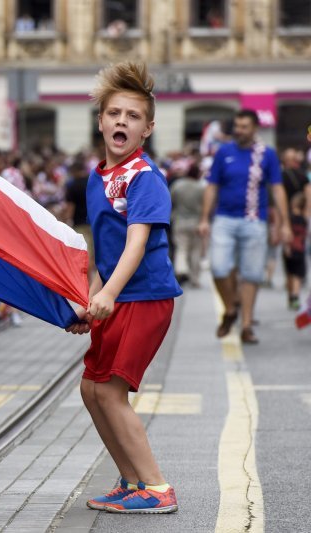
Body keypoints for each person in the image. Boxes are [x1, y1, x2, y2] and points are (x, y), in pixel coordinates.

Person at [67, 61, 182, 513]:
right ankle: (131, 481)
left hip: (146, 298)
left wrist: (107, 296)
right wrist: (90, 300)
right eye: (115, 113)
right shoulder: (99, 177)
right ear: (100, 121)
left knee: (110, 392)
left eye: (133, 117)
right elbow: (107, 252)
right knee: (90, 389)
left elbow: (136, 246)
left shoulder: (145, 178)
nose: (122, 122)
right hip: (118, 296)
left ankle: (156, 488)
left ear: (147, 129)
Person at [198, 109, 292, 344]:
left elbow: (277, 188)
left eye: (244, 127)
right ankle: (231, 309)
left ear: (254, 129)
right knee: (219, 268)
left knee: (251, 275)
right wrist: (204, 218)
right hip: (224, 219)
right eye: (237, 126)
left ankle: (247, 325)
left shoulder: (267, 154)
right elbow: (212, 186)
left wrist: (285, 224)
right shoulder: (223, 152)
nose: (239, 131)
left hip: (254, 221)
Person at [169, 160, 204, 287]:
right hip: (196, 222)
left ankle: (181, 270)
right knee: (196, 251)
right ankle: (195, 279)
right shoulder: (201, 187)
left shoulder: (177, 185)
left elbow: (170, 202)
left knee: (181, 248)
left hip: (179, 220)